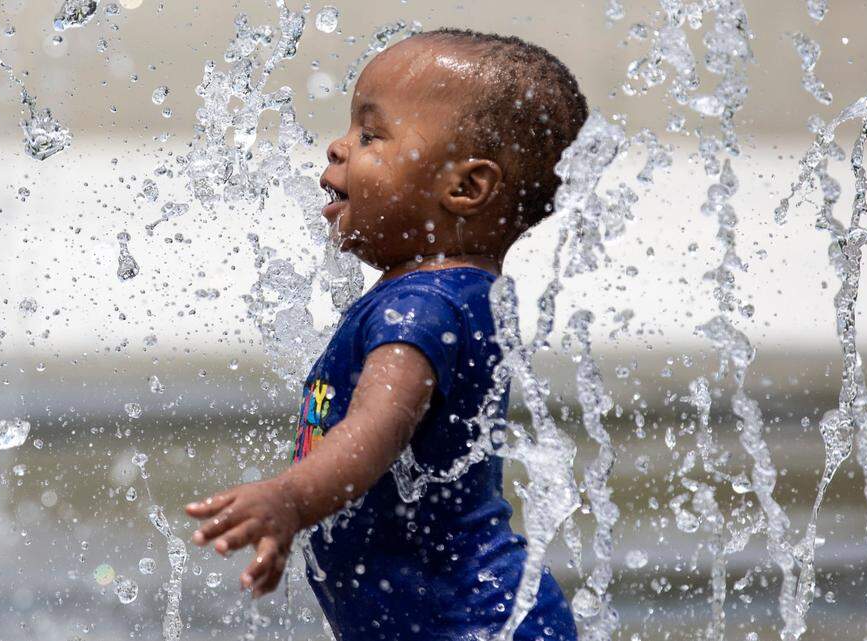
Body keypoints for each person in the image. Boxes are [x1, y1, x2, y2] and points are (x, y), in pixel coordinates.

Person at [184, 28, 588, 640]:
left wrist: (291, 500)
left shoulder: (422, 310)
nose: (338, 146)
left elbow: (375, 431)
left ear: (465, 188)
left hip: (475, 627)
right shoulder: (441, 295)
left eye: (371, 135)